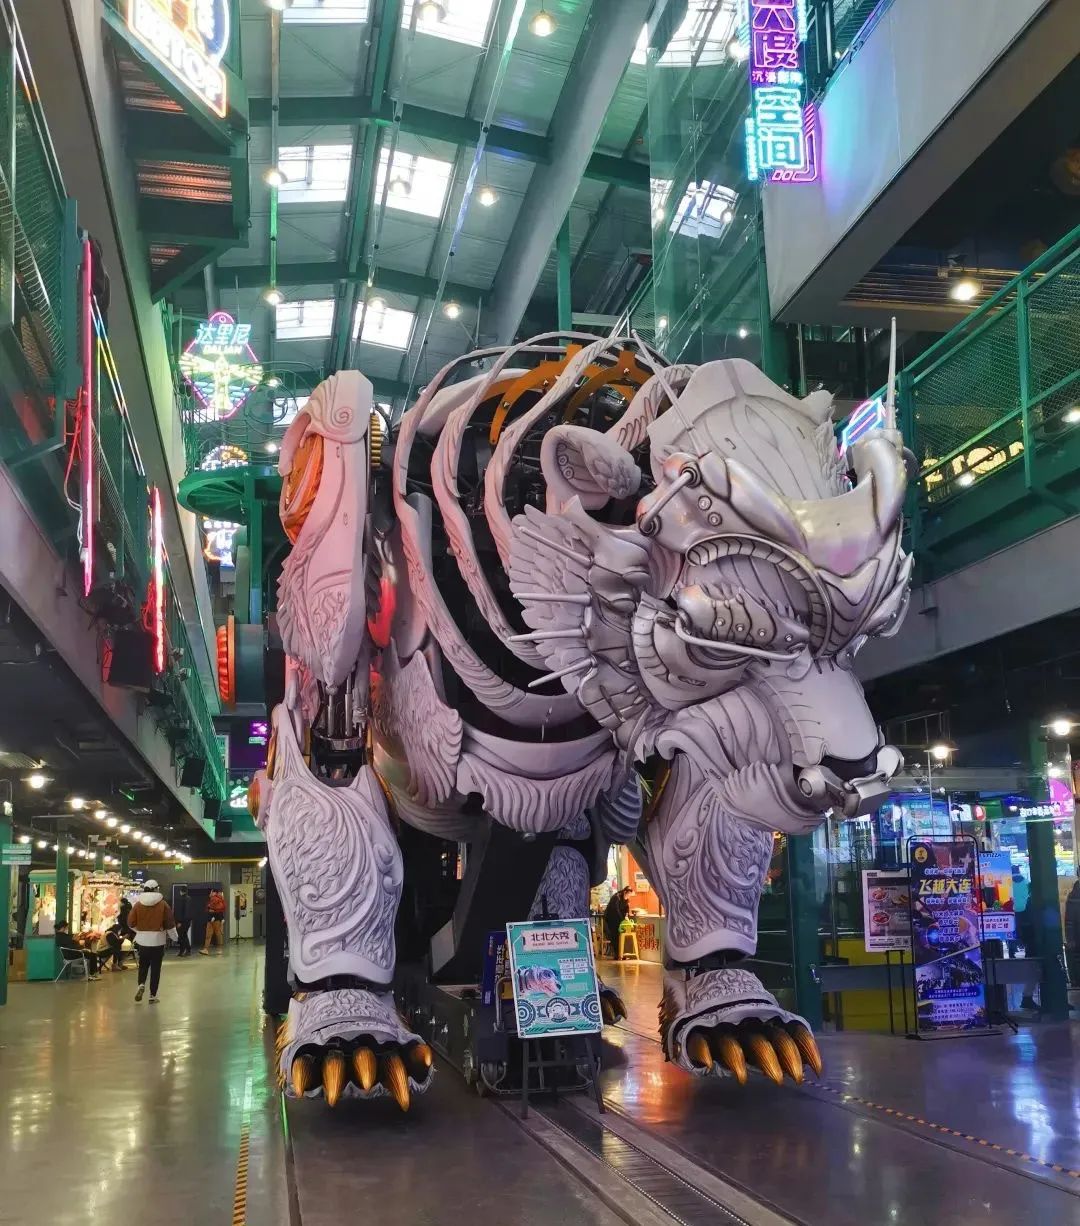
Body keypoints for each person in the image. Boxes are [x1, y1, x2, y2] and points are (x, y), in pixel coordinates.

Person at [129, 879, 177, 1003]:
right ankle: (152, 995)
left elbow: (130, 922)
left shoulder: (138, 904)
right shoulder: (163, 904)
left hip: (143, 942)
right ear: (156, 889)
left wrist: (139, 931)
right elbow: (170, 923)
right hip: (158, 941)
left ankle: (141, 984)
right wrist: (175, 937)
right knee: (156, 969)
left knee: (143, 965)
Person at [604, 886, 632, 958]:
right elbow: (616, 910)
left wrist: (627, 915)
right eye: (628, 894)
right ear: (624, 892)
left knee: (620, 936)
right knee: (615, 936)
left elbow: (626, 908)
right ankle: (617, 954)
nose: (628, 897)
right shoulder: (617, 897)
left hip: (619, 919)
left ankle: (621, 954)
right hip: (611, 918)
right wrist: (622, 918)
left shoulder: (625, 899)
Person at [201, 888, 226, 955]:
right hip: (211, 919)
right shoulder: (213, 899)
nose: (210, 894)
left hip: (216, 920)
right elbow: (209, 909)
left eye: (211, 892)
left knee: (217, 935)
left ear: (214, 893)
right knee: (210, 935)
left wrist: (213, 912)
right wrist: (210, 909)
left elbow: (219, 910)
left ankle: (218, 950)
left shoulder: (217, 899)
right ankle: (206, 949)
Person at [174, 886, 192, 957]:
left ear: (181, 891)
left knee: (181, 936)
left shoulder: (181, 899)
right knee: (184, 935)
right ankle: (187, 950)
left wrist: (179, 921)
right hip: (187, 921)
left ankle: (182, 951)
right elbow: (188, 911)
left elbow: (180, 911)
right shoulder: (189, 898)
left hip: (182, 921)